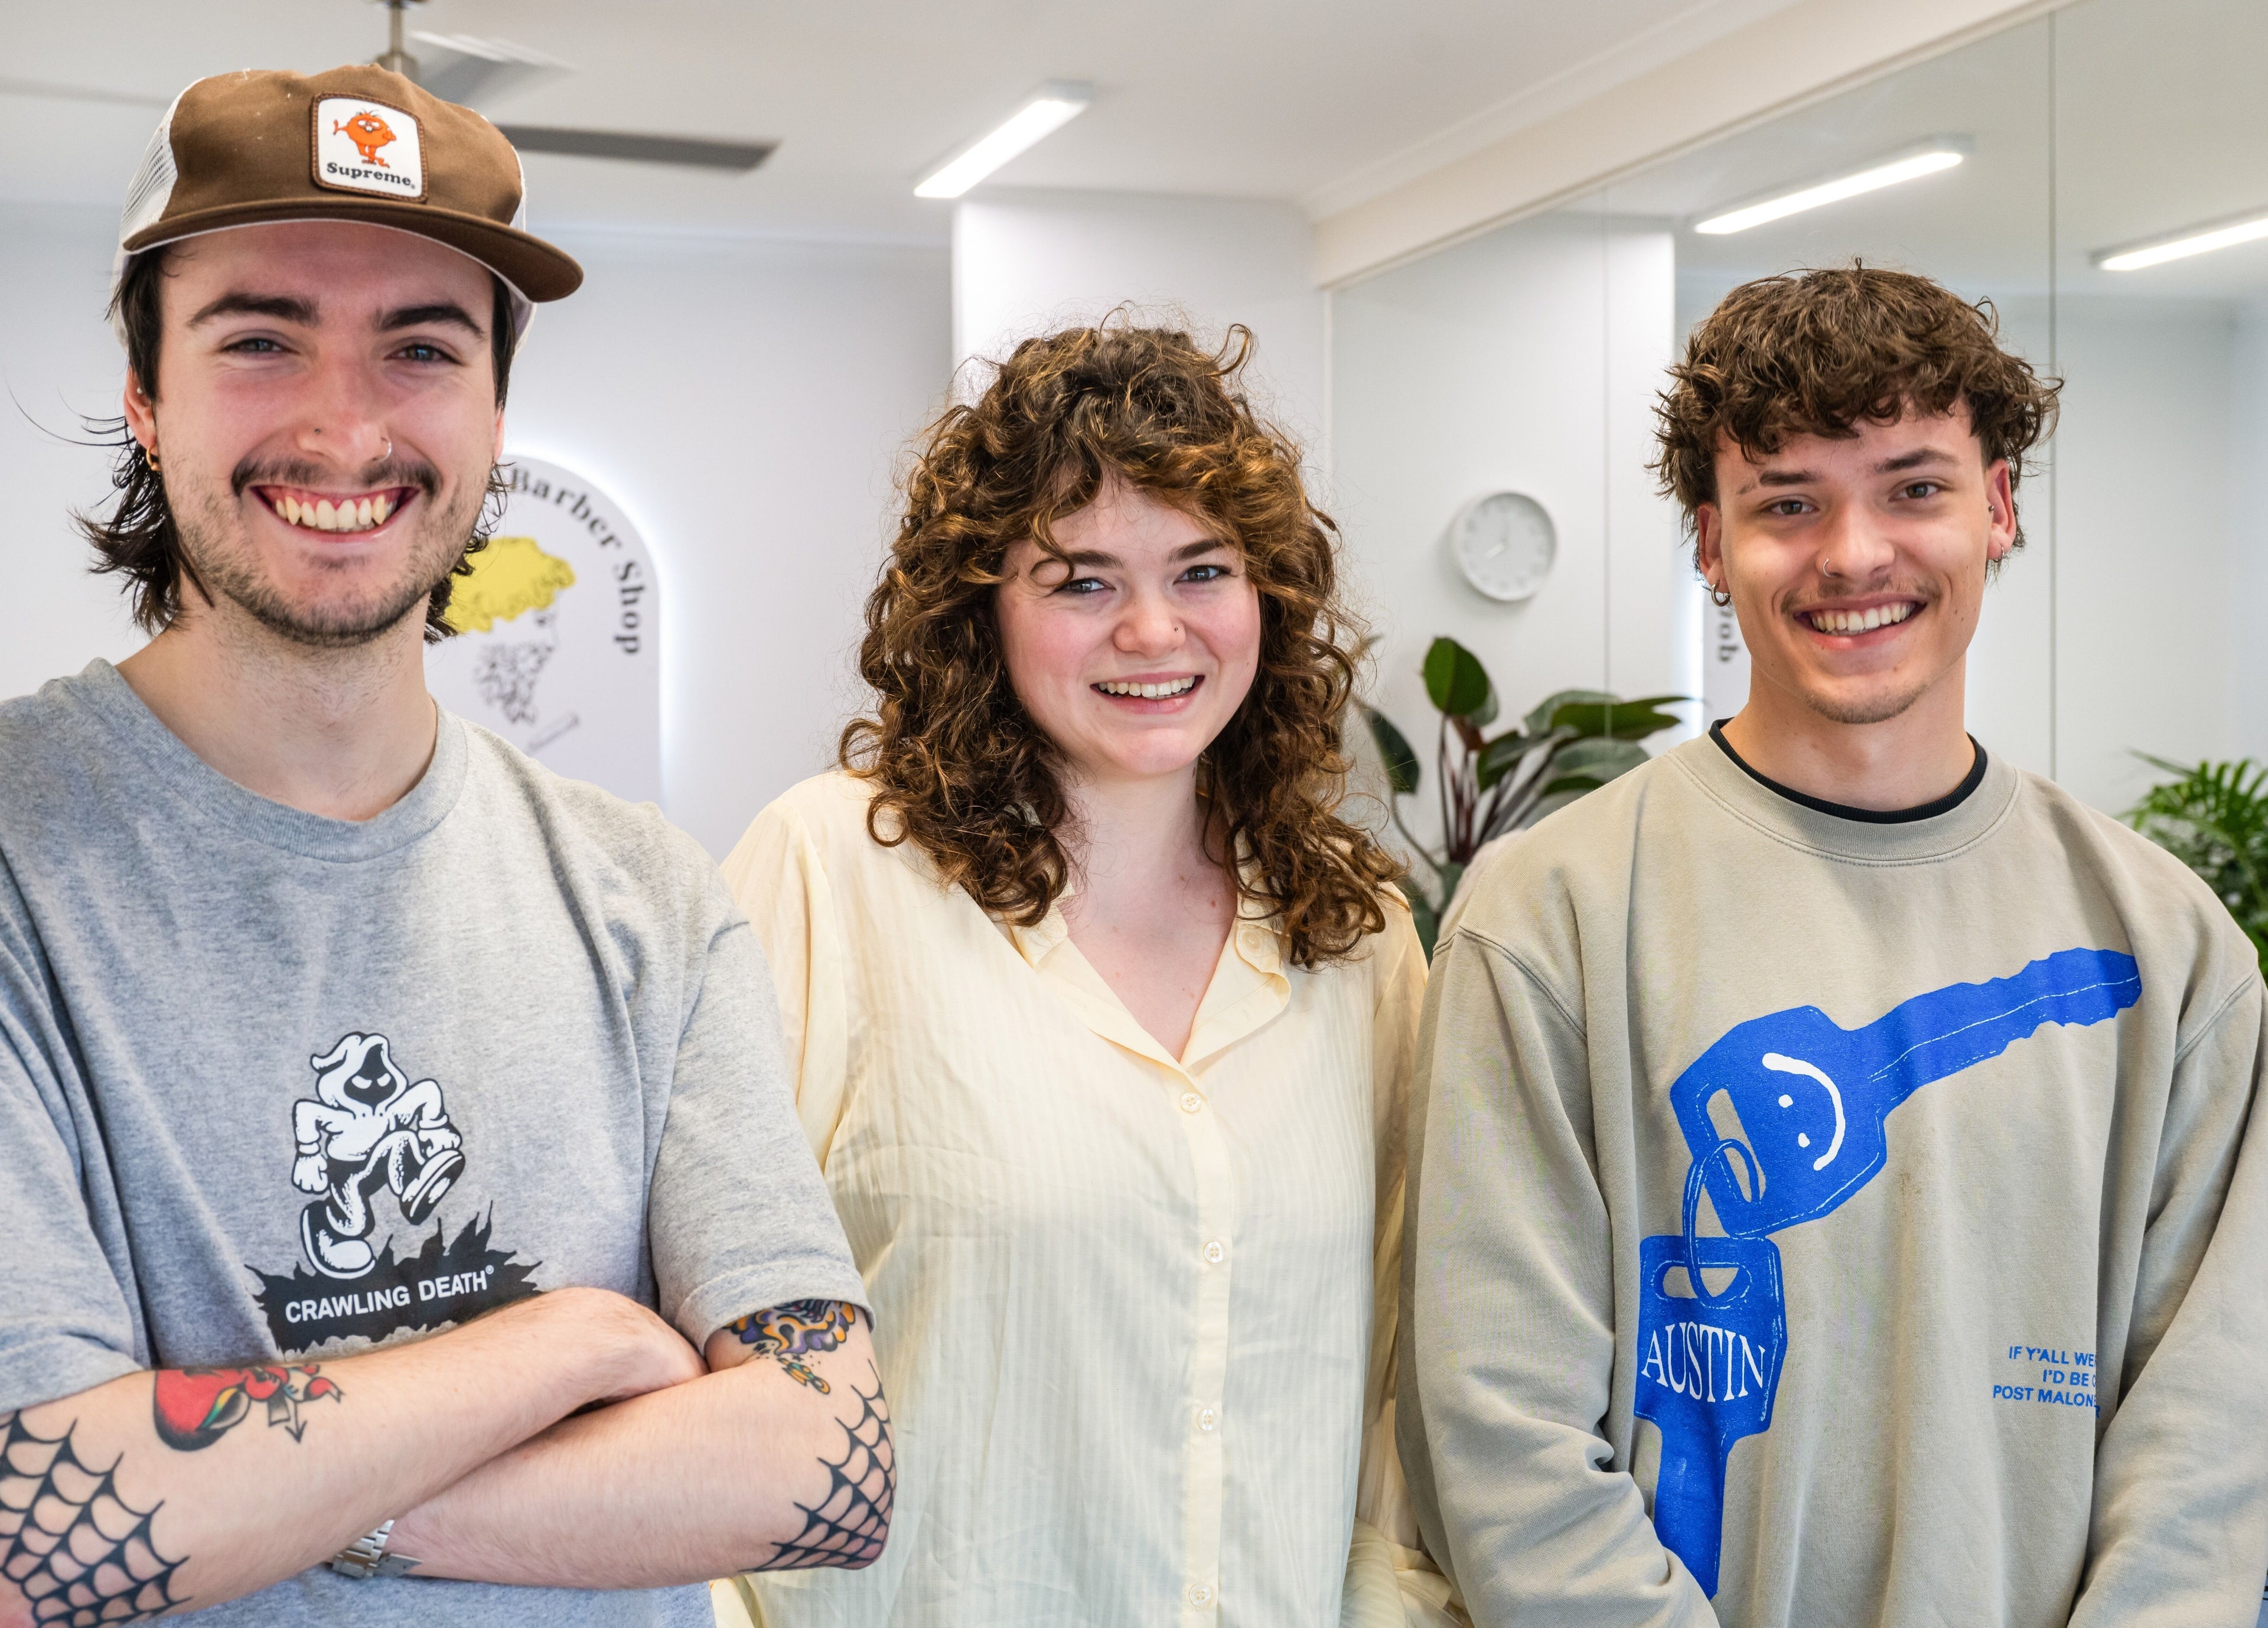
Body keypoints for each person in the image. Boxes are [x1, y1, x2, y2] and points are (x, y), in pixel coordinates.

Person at [0, 66, 890, 1627]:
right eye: (261, 337)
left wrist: (273, 1491)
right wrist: (567, 1350)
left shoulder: (643, 890)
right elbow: (37, 1530)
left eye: (421, 347)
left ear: (492, 414)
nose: (347, 422)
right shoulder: (23, 861)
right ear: (145, 396)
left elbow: (826, 1459)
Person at [1399, 265, 2268, 1627]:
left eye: (1914, 487)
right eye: (1788, 502)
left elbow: (2213, 1445)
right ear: (1709, 541)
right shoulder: (1553, 916)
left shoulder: (2170, 950)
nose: (1853, 552)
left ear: (1998, 508)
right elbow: (1497, 1436)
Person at [719, 324, 1450, 1627]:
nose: (1154, 631)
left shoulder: (1359, 932)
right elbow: (697, 1330)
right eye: (1081, 580)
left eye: (1202, 569)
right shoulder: (831, 870)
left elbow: (1398, 1378)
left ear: (1267, 597)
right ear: (980, 609)